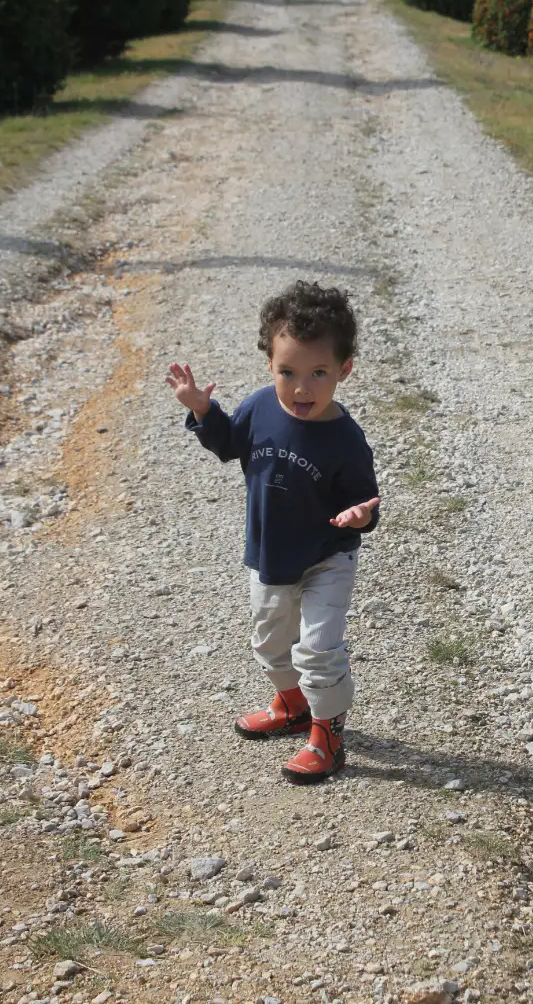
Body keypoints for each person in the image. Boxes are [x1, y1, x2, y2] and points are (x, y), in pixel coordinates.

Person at [166, 280, 379, 784]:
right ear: (270, 366)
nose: (302, 387)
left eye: (318, 373)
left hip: (328, 556)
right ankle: (293, 706)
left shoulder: (345, 439)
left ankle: (327, 738)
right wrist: (201, 409)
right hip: (271, 553)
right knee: (269, 642)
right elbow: (227, 443)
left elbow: (365, 501)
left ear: (344, 370)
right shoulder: (261, 407)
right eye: (288, 372)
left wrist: (360, 516)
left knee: (318, 649)